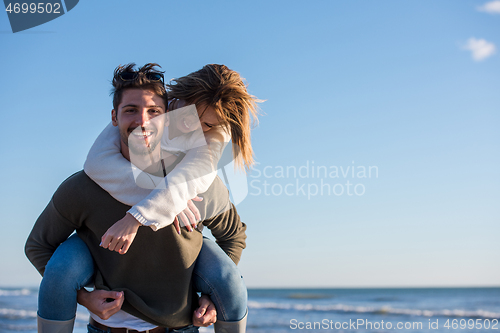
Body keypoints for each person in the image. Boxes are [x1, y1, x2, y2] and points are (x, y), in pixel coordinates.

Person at [25, 64, 250, 333]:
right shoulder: (84, 186)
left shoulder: (199, 186)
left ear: (168, 117)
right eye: (130, 110)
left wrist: (212, 299)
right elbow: (38, 246)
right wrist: (83, 298)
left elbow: (234, 237)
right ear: (114, 117)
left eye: (154, 112)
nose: (144, 122)